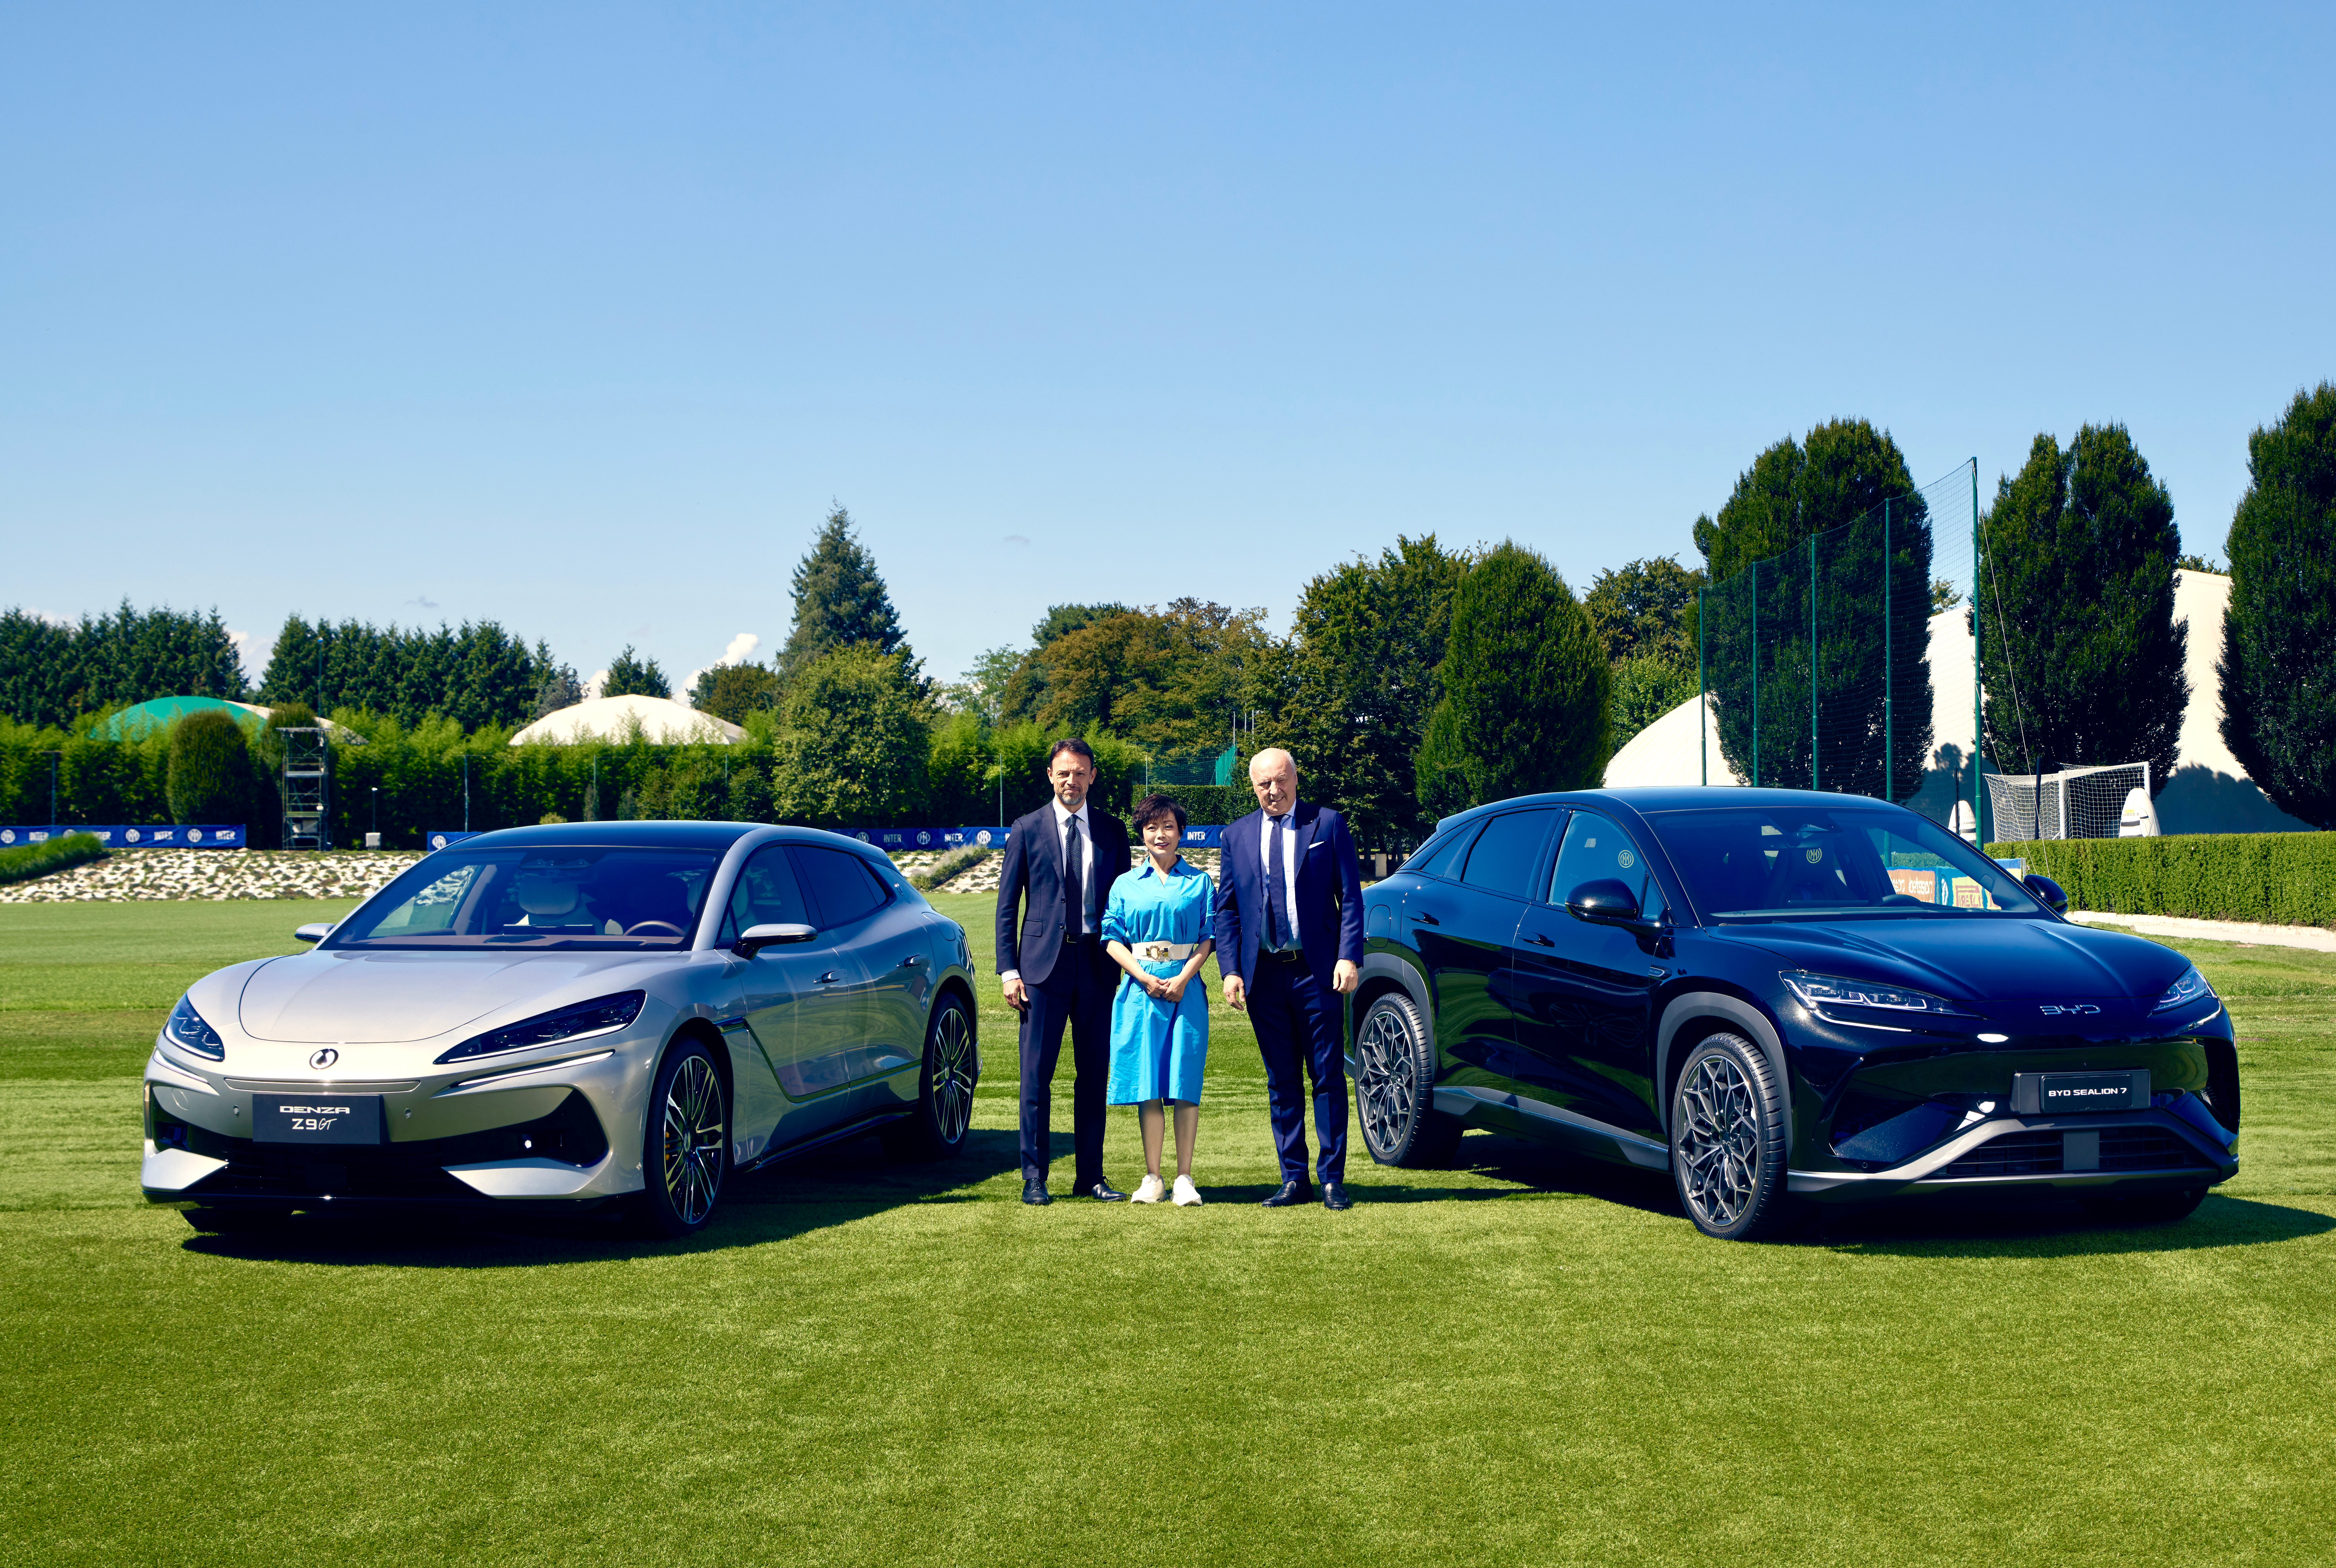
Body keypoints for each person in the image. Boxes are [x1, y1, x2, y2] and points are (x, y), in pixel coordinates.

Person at [1213, 747, 1366, 1209]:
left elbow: (1352, 898)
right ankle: (1293, 1178)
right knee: (1281, 1081)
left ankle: (1332, 1178)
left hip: (1317, 972)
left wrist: (1348, 956)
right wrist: (1230, 970)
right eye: (1263, 784)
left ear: (1295, 780)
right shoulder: (1234, 835)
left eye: (1280, 781)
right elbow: (1226, 910)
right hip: (1263, 977)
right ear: (1252, 786)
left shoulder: (1328, 825)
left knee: (1325, 1076)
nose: (1273, 791)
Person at [995, 737, 1132, 1205]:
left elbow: (1123, 906)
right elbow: (1006, 906)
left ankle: (1089, 1176)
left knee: (1093, 1076)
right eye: (1063, 772)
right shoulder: (1026, 828)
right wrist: (1008, 970)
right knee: (1036, 1077)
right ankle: (1034, 1177)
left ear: (1092, 776)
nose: (1070, 780)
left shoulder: (1113, 832)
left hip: (1096, 965)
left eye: (1079, 772)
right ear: (1050, 776)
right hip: (1040, 970)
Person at [1103, 793, 1216, 1207]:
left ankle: (1184, 1177)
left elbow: (1208, 939)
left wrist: (1184, 978)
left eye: (1168, 827)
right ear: (1142, 835)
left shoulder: (1200, 882)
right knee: (1148, 1084)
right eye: (1152, 828)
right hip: (1140, 993)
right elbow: (1112, 940)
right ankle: (1153, 1177)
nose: (1160, 835)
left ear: (1181, 833)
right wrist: (1144, 976)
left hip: (1186, 993)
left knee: (1184, 1083)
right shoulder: (1124, 885)